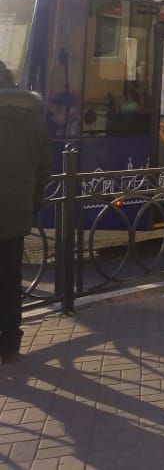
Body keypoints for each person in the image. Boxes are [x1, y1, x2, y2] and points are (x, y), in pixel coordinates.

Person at [0, 60, 52, 364]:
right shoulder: (33, 120)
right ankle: (9, 343)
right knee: (9, 278)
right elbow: (45, 168)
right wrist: (29, 201)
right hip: (16, 214)